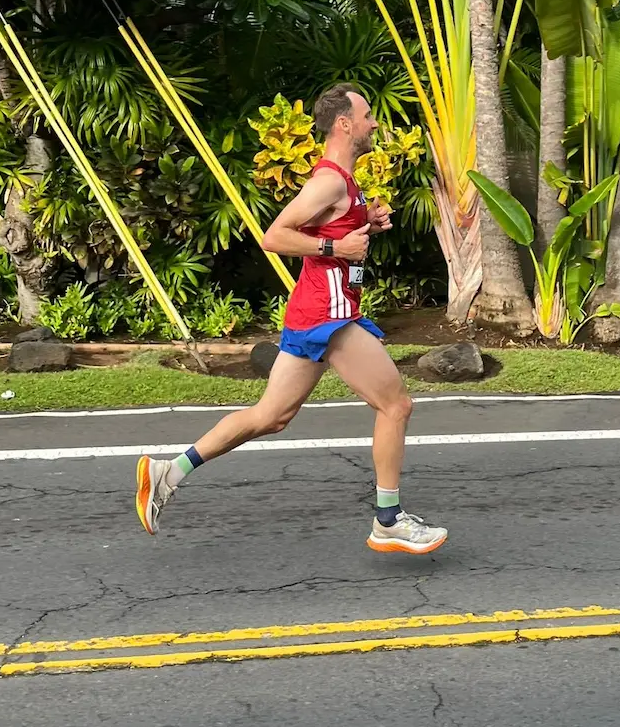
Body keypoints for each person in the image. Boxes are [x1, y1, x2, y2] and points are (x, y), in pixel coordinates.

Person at [135, 83, 448, 554]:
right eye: (367, 116)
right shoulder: (329, 180)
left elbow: (338, 227)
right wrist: (335, 247)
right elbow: (274, 235)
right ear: (344, 123)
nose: (374, 123)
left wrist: (366, 225)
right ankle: (388, 520)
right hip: (330, 314)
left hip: (313, 311)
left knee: (271, 416)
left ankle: (167, 473)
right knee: (395, 406)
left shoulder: (346, 180)